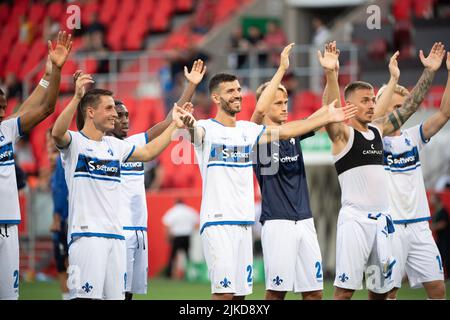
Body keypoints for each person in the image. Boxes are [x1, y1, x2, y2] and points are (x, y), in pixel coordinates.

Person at [179, 45, 357, 300]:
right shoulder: (209, 128)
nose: (238, 94)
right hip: (222, 222)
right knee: (227, 295)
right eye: (231, 90)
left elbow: (294, 128)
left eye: (239, 90)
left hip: (246, 223)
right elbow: (195, 130)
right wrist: (189, 120)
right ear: (216, 98)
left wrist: (331, 82)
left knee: (243, 297)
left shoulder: (248, 131)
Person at [318, 40, 445, 300]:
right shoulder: (343, 135)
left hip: (384, 223)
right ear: (350, 105)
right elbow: (330, 112)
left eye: (372, 100)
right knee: (344, 292)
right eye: (364, 100)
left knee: (382, 291)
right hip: (356, 221)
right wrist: (331, 74)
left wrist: (423, 73)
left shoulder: (377, 131)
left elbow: (410, 107)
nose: (371, 105)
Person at [51, 72, 190, 300]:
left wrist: (175, 124)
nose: (115, 115)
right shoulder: (75, 144)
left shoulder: (115, 146)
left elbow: (148, 152)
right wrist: (76, 97)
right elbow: (57, 133)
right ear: (90, 111)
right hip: (87, 238)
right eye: (109, 109)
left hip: (116, 237)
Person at [108, 60, 206, 300]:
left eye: (127, 115)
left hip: (139, 230)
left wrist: (190, 87)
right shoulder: (98, 148)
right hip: (116, 231)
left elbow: (166, 124)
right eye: (118, 115)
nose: (124, 120)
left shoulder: (134, 144)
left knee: (128, 294)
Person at [0, 31, 71, 300]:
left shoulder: (5, 130)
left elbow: (44, 108)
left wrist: (52, 72)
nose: (2, 112)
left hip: (8, 228)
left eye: (4, 107)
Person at [251, 44, 323, 300]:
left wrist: (332, 74)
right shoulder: (254, 135)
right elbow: (258, 112)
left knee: (314, 293)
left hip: (305, 220)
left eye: (286, 102)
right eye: (278, 103)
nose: (284, 107)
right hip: (277, 222)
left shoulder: (293, 133)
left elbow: (326, 111)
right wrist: (281, 69)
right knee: (276, 293)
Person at [379, 52, 450, 299]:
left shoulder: (413, 137)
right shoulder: (373, 140)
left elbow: (443, 115)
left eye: (402, 107)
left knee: (438, 288)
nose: (401, 112)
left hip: (420, 226)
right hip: (389, 228)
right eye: (395, 107)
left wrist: (449, 74)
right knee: (388, 292)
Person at [46, 128, 69, 300]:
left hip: (64, 220)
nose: (48, 146)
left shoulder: (62, 162)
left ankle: (71, 295)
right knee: (63, 263)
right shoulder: (55, 167)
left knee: (66, 263)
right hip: (64, 218)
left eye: (51, 143)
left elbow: (62, 192)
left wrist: (56, 218)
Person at [162, 199, 199, 279]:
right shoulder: (189, 211)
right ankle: (190, 275)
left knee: (172, 256)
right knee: (188, 256)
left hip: (177, 236)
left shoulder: (173, 211)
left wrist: (168, 237)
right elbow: (197, 222)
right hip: (187, 236)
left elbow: (166, 224)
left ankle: (169, 275)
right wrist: (191, 231)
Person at [431, 194, 450, 281]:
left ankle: (447, 276)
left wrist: (432, 227)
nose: (430, 200)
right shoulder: (437, 211)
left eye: (432, 198)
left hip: (445, 239)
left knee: (445, 256)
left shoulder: (443, 211)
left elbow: (443, 224)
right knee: (440, 256)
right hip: (440, 239)